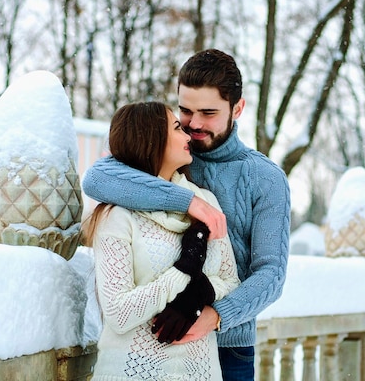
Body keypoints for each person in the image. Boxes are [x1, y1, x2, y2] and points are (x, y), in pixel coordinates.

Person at [82, 49, 291, 380]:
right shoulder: (168, 151)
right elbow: (96, 179)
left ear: (237, 108)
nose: (194, 124)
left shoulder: (265, 178)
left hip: (228, 343)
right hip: (151, 340)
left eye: (208, 113)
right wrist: (189, 202)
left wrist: (215, 313)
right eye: (186, 111)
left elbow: (271, 275)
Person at [84, 101, 239, 380]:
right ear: (150, 138)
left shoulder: (205, 203)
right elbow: (119, 314)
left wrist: (198, 294)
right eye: (178, 128)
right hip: (133, 371)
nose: (188, 136)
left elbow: (231, 280)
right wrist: (184, 270)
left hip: (200, 372)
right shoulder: (118, 216)